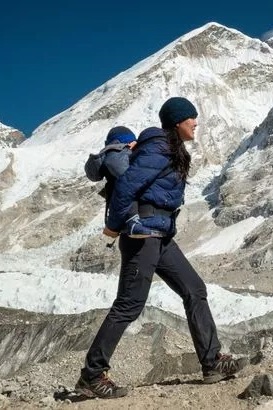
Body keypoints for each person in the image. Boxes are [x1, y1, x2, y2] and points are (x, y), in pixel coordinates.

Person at [75, 97, 248, 399]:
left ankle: (212, 363)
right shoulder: (159, 148)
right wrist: (114, 227)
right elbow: (128, 185)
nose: (196, 122)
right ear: (177, 121)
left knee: (194, 289)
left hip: (161, 234)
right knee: (129, 305)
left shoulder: (171, 149)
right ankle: (92, 374)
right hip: (143, 236)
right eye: (191, 118)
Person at [84, 126, 137, 224]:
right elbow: (133, 181)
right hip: (135, 215)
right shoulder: (118, 155)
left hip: (121, 214)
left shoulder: (108, 156)